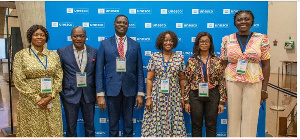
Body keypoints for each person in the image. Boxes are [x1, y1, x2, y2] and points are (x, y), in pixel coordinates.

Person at [220, 10, 270, 137]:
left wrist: (264, 89)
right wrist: (222, 86)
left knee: (251, 115)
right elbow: (223, 64)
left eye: (246, 19)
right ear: (235, 23)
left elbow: (266, 64)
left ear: (252, 22)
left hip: (254, 80)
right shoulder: (227, 39)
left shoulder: (261, 38)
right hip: (232, 80)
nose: (243, 22)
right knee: (233, 115)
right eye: (239, 19)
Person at [95, 15, 144, 137]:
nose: (122, 24)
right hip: (112, 90)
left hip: (130, 90)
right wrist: (100, 94)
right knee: (112, 125)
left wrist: (140, 93)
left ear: (128, 25)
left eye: (124, 23)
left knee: (128, 124)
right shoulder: (105, 44)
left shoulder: (135, 45)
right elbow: (99, 70)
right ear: (114, 24)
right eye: (119, 22)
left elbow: (139, 71)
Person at [13, 24, 63, 137]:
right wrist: (38, 98)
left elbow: (59, 76)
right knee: (32, 129)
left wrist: (51, 96)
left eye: (42, 35)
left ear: (46, 38)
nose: (39, 37)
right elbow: (19, 80)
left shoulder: (53, 55)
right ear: (30, 37)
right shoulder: (21, 55)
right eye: (36, 35)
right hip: (30, 101)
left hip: (51, 100)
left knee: (52, 128)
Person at [141, 31, 186, 137]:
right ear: (161, 42)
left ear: (174, 42)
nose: (168, 43)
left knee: (174, 121)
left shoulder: (180, 58)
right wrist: (148, 97)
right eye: (166, 40)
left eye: (171, 40)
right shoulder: (154, 57)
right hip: (157, 96)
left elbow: (182, 79)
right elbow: (149, 79)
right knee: (156, 121)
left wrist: (183, 97)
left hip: (174, 96)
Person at [184, 32, 226, 137]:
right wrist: (186, 100)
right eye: (201, 41)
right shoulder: (191, 60)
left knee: (211, 125)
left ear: (210, 43)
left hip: (213, 95)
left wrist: (222, 101)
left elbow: (221, 81)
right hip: (195, 95)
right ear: (197, 44)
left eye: (206, 41)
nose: (204, 43)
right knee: (196, 124)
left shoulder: (217, 60)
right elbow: (187, 81)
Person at [57, 26, 97, 137]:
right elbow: (58, 74)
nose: (78, 39)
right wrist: (62, 92)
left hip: (89, 95)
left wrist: (98, 93)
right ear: (71, 37)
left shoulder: (94, 51)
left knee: (90, 127)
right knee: (71, 127)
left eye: (81, 36)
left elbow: (97, 74)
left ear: (86, 37)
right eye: (75, 36)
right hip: (69, 95)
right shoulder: (62, 51)